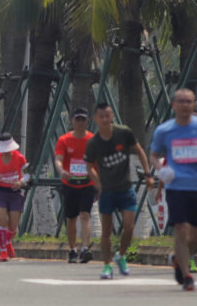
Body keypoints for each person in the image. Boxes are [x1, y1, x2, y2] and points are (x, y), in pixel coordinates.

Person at [85, 102, 154, 279]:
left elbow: (139, 151)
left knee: (129, 227)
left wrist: (147, 174)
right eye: (102, 117)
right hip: (107, 191)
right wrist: (98, 184)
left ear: (112, 116)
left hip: (125, 188)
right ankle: (107, 265)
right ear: (96, 119)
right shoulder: (94, 142)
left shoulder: (123, 133)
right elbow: (89, 166)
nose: (105, 119)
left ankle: (121, 255)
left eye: (108, 115)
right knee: (106, 231)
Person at [150, 88, 197, 291]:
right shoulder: (164, 130)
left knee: (194, 237)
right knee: (180, 228)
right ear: (173, 105)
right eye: (181, 101)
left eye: (189, 101)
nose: (185, 105)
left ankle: (180, 258)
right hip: (176, 186)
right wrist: (161, 170)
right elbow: (153, 154)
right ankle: (187, 275)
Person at [55, 108, 96, 263]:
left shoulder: (93, 140)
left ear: (87, 121)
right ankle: (72, 249)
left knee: (85, 215)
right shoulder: (64, 140)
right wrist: (61, 171)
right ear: (72, 121)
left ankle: (85, 248)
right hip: (70, 184)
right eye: (77, 119)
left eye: (83, 120)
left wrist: (99, 183)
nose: (80, 123)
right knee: (71, 218)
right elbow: (58, 159)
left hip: (88, 182)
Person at [0, 133, 29, 262]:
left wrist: (21, 182)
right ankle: (3, 251)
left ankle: (7, 240)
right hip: (0, 193)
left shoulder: (20, 158)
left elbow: (27, 175)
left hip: (15, 193)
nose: (7, 153)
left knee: (13, 226)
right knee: (2, 220)